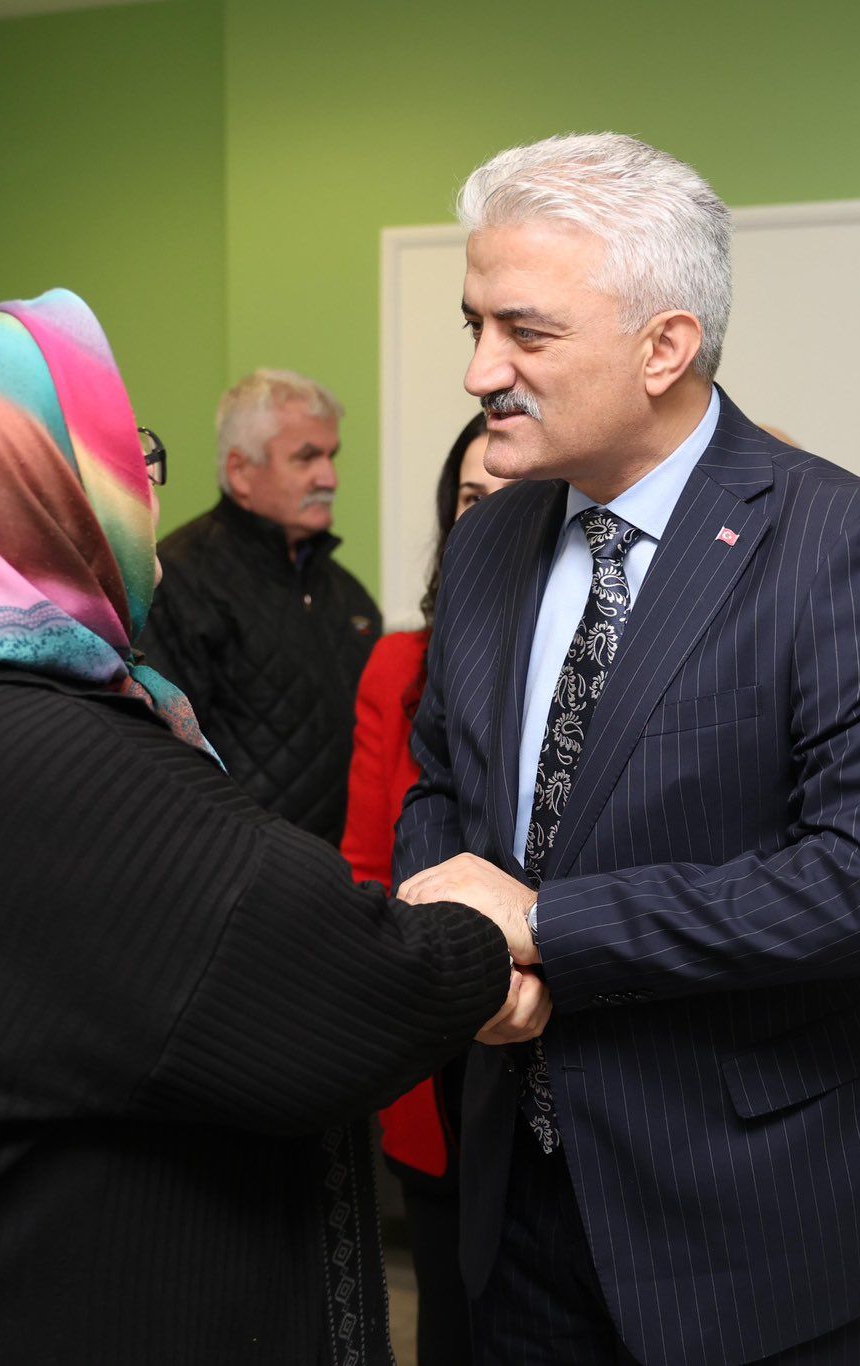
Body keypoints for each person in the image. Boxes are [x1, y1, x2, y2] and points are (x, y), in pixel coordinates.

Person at [0, 291, 546, 1365]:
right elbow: (331, 985)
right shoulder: (30, 751)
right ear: (34, 487)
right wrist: (483, 937)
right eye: (124, 454)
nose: (145, 485)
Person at [396, 133, 860, 1366]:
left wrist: (542, 926)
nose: (480, 371)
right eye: (472, 325)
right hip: (519, 1200)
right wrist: (463, 953)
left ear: (664, 346)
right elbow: (440, 786)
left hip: (753, 1224)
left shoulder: (845, 548)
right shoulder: (488, 543)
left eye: (524, 333)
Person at [342, 409, 513, 1366]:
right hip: (436, 1027)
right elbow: (367, 860)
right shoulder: (399, 664)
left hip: (559, 1035)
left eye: (511, 496)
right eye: (470, 499)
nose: (487, 518)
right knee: (450, 1314)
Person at [139, 368, 380, 844]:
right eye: (306, 457)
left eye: (331, 455)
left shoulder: (346, 594)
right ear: (241, 472)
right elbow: (168, 764)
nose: (329, 477)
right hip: (236, 869)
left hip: (345, 874)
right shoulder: (177, 581)